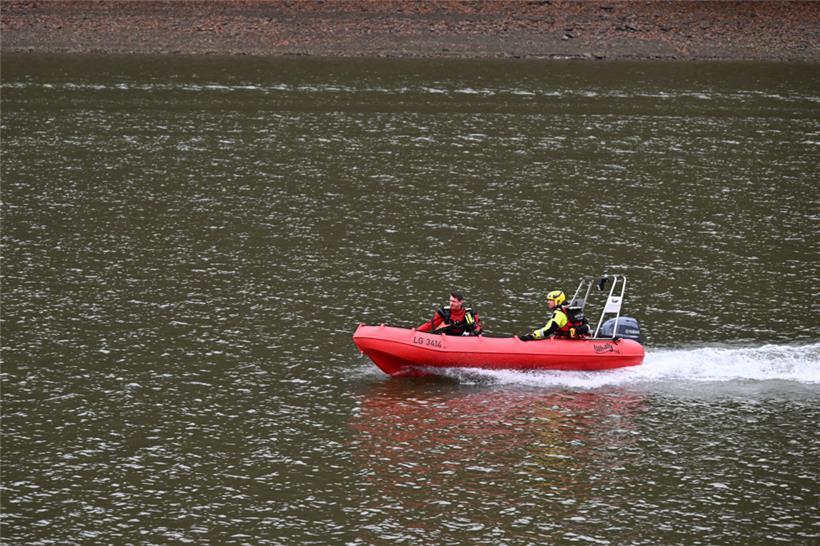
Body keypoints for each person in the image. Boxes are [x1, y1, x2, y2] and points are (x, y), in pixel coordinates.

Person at [518, 289, 589, 341]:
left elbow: (549, 329)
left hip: (566, 341)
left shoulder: (559, 313)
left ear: (558, 301)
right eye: (548, 300)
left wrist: (532, 336)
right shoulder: (572, 309)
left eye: (550, 300)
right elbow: (585, 323)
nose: (548, 302)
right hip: (579, 339)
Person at [418, 291, 483, 336]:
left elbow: (478, 328)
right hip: (446, 338)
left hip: (463, 339)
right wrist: (416, 331)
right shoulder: (445, 312)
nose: (451, 303)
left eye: (454, 301)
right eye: (450, 301)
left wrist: (475, 327)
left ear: (461, 302)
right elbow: (430, 324)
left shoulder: (468, 313)